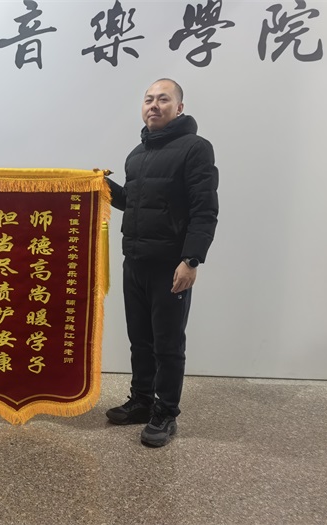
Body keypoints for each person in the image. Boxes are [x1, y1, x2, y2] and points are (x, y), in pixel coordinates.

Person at [105, 79, 219, 447]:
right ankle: (141, 401)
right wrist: (104, 187)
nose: (154, 105)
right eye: (148, 99)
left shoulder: (195, 149)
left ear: (179, 107)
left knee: (167, 344)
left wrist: (191, 259)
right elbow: (134, 202)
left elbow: (205, 209)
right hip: (135, 261)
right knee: (140, 339)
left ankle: (166, 413)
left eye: (163, 99)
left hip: (171, 265)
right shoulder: (137, 154)